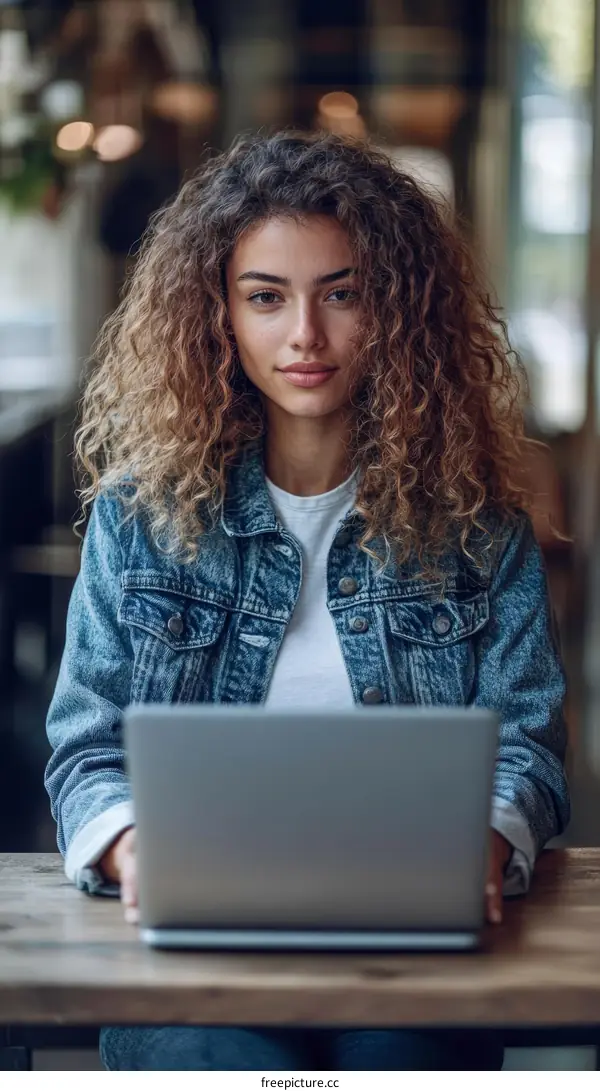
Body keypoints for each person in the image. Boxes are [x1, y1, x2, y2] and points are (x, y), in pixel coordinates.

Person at [45, 130, 569, 1071]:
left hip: (416, 956)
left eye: (343, 293)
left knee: (396, 1056)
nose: (305, 337)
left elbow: (529, 743)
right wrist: (133, 850)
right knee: (222, 1055)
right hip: (198, 958)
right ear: (218, 316)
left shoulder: (479, 525)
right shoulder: (141, 519)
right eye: (266, 297)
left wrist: (485, 845)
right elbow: (86, 747)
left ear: (399, 309)